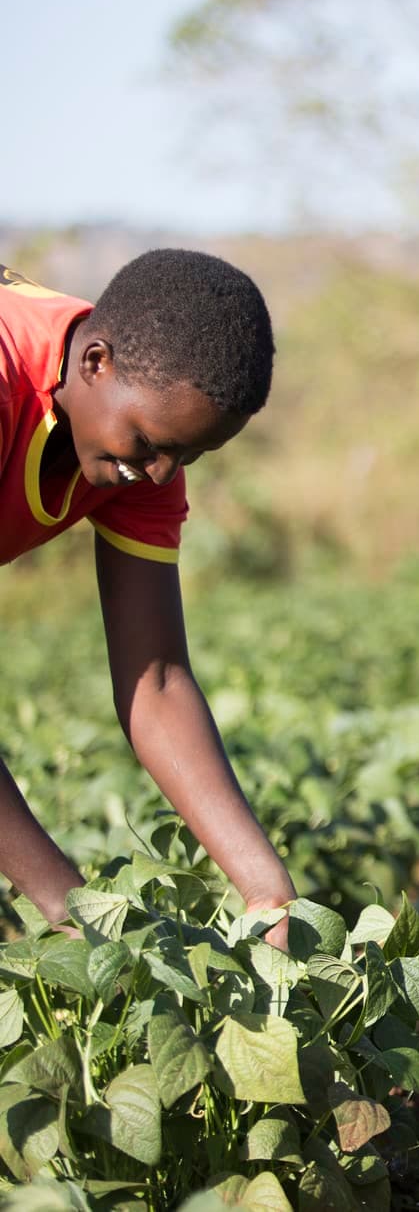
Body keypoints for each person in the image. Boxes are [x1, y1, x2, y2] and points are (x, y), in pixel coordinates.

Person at [0, 253, 296, 938]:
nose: (160, 472)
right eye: (152, 443)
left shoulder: (141, 455)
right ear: (96, 362)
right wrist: (70, 908)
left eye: (186, 455)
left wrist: (264, 886)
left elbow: (156, 680)